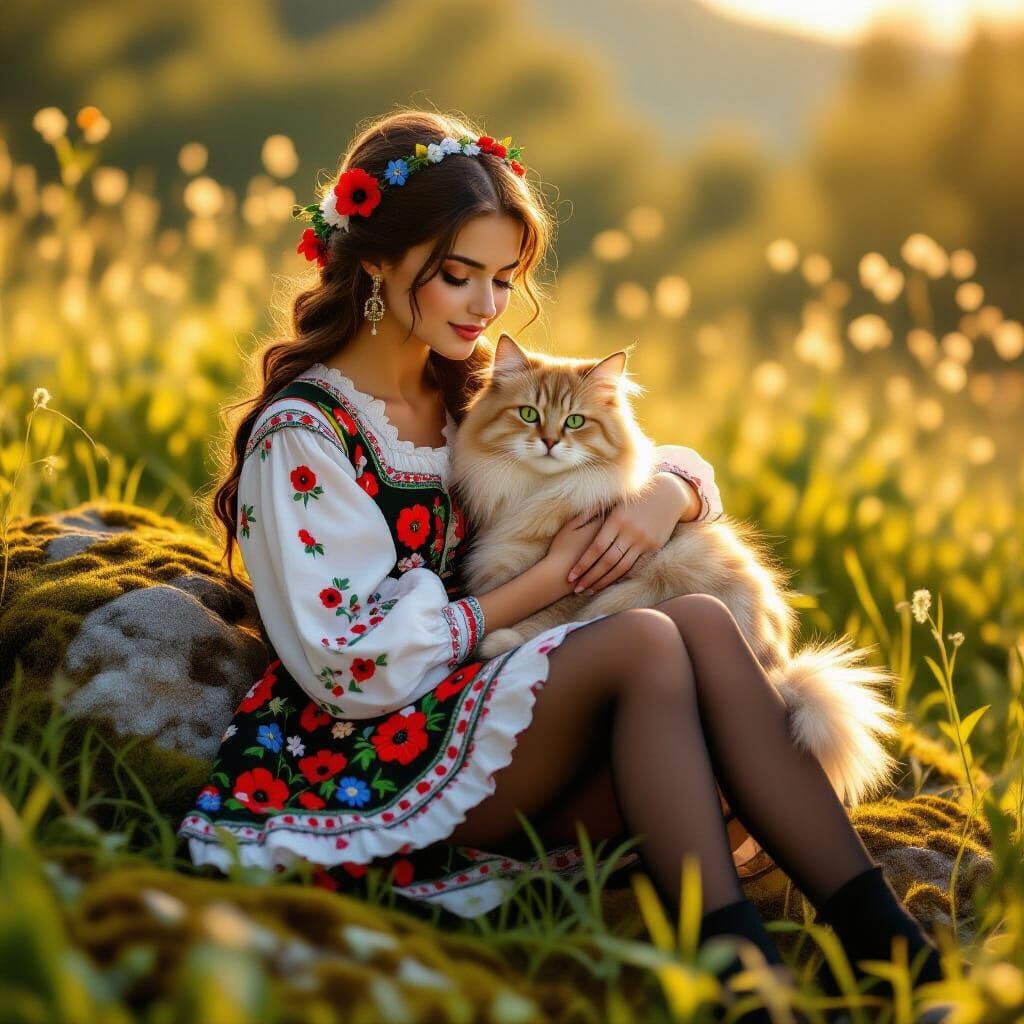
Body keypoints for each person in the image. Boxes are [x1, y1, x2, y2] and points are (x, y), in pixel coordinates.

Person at [177, 109, 945, 1018]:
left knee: (698, 621)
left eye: (503, 279)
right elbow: (347, 666)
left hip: (489, 701)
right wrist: (550, 580)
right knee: (648, 642)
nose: (485, 305)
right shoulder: (306, 433)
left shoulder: (464, 383)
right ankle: (743, 978)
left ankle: (892, 955)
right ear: (377, 262)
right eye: (458, 275)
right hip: (365, 747)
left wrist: (669, 495)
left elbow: (614, 438)